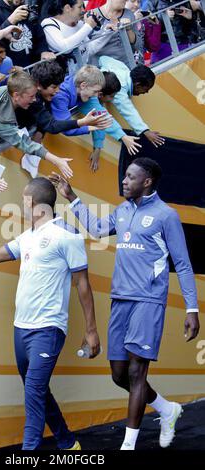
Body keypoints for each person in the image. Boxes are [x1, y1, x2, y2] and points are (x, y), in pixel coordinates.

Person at [50, 157, 200, 450]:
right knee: (119, 374)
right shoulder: (122, 210)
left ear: (147, 182)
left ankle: (128, 445)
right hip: (121, 300)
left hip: (148, 300)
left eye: (130, 177)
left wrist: (192, 308)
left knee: (136, 372)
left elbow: (182, 264)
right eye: (125, 176)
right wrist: (71, 197)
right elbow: (96, 229)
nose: (124, 181)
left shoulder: (165, 215)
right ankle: (168, 410)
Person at [0, 177, 101, 449]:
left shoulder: (68, 236)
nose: (22, 202)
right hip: (21, 330)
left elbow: (83, 285)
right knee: (38, 392)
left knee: (33, 392)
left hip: (48, 329)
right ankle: (67, 443)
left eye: (23, 198)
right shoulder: (27, 237)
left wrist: (91, 331)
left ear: (32, 203)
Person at [0, 70, 74, 179]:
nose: (35, 99)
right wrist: (56, 160)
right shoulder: (2, 118)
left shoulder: (4, 90)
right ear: (16, 95)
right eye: (31, 96)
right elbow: (25, 143)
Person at [51, 64, 142, 165]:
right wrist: (90, 127)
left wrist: (122, 136)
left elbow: (102, 115)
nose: (96, 96)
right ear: (83, 85)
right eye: (95, 92)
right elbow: (66, 128)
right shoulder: (60, 97)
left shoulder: (86, 93)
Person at [99, 55, 165, 147]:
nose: (146, 92)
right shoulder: (120, 87)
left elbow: (103, 58)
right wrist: (145, 131)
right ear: (137, 85)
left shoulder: (122, 68)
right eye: (146, 89)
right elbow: (128, 111)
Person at [0, 0, 55, 67]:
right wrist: (10, 21)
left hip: (33, 66)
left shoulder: (25, 5)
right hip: (9, 70)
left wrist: (43, 51)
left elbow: (39, 34)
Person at [41, 0, 98, 75]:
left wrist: (106, 31)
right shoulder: (49, 24)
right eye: (80, 7)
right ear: (67, 8)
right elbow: (65, 48)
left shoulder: (79, 23)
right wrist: (88, 27)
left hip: (83, 75)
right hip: (64, 80)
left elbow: (91, 49)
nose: (83, 10)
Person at [87, 0, 139, 70]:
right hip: (104, 71)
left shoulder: (129, 14)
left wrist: (128, 29)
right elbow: (86, 50)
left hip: (126, 67)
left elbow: (137, 46)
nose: (126, 1)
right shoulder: (92, 15)